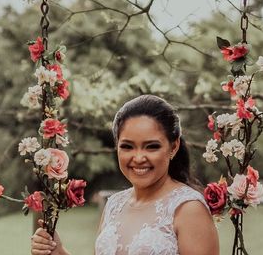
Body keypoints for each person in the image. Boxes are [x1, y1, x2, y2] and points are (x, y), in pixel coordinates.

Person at [31, 94, 220, 255]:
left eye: (151, 146)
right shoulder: (114, 205)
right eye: (127, 146)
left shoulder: (188, 209)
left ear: (173, 146)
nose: (138, 158)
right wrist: (59, 252)